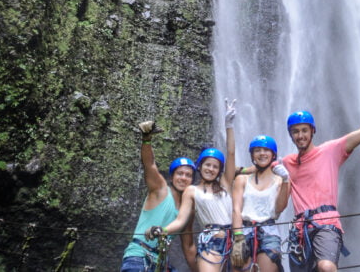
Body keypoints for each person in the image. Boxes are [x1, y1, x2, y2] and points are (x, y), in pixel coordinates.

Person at [283, 72, 360, 272]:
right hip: (300, 232)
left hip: (327, 225)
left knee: (326, 267)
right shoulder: (286, 163)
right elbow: (260, 165)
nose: (300, 135)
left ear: (312, 131)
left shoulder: (330, 151)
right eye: (296, 131)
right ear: (291, 135)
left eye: (304, 130)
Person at [146, 99, 237, 272]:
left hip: (236, 239)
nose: (210, 168)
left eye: (215, 166)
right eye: (207, 164)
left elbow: (231, 153)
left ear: (220, 170)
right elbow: (181, 220)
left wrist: (229, 125)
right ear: (200, 166)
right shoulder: (191, 190)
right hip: (212, 242)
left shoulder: (225, 184)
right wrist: (163, 230)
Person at [120, 120, 198, 272]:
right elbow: (150, 165)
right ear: (172, 176)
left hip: (161, 263)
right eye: (179, 173)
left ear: (192, 180)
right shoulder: (160, 189)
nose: (183, 178)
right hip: (139, 257)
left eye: (188, 175)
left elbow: (188, 246)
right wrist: (146, 140)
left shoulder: (188, 209)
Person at [230, 135, 290, 272]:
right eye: (257, 150)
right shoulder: (242, 179)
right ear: (252, 155)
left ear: (273, 154)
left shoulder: (281, 179)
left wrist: (286, 180)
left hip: (269, 231)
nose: (262, 153)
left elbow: (280, 208)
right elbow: (236, 209)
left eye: (266, 150)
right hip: (243, 231)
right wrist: (238, 236)